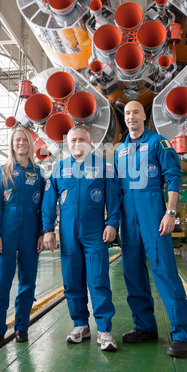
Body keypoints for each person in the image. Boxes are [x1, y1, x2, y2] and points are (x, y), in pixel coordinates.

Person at [114, 101, 187, 358]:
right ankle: (145, 327)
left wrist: (170, 212)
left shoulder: (159, 143)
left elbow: (173, 176)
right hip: (128, 220)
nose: (131, 116)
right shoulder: (120, 151)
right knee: (133, 274)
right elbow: (116, 189)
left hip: (154, 216)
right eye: (127, 113)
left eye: (136, 111)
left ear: (144, 116)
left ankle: (181, 334)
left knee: (165, 273)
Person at [42, 126, 121, 351]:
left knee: (98, 279)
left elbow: (113, 197)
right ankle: (80, 326)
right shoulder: (58, 168)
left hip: (95, 232)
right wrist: (48, 230)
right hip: (68, 234)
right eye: (74, 140)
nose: (78, 143)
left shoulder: (104, 166)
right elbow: (49, 201)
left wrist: (112, 223)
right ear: (68, 144)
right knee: (72, 281)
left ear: (90, 141)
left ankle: (104, 330)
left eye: (82, 139)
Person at [0, 127, 45, 347]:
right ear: (12, 144)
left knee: (28, 282)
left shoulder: (39, 173)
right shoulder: (2, 171)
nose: (21, 143)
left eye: (25, 140)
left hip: (30, 232)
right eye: (17, 140)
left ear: (30, 144)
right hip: (7, 232)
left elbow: (43, 208)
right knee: (1, 283)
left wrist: (42, 233)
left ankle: (21, 326)